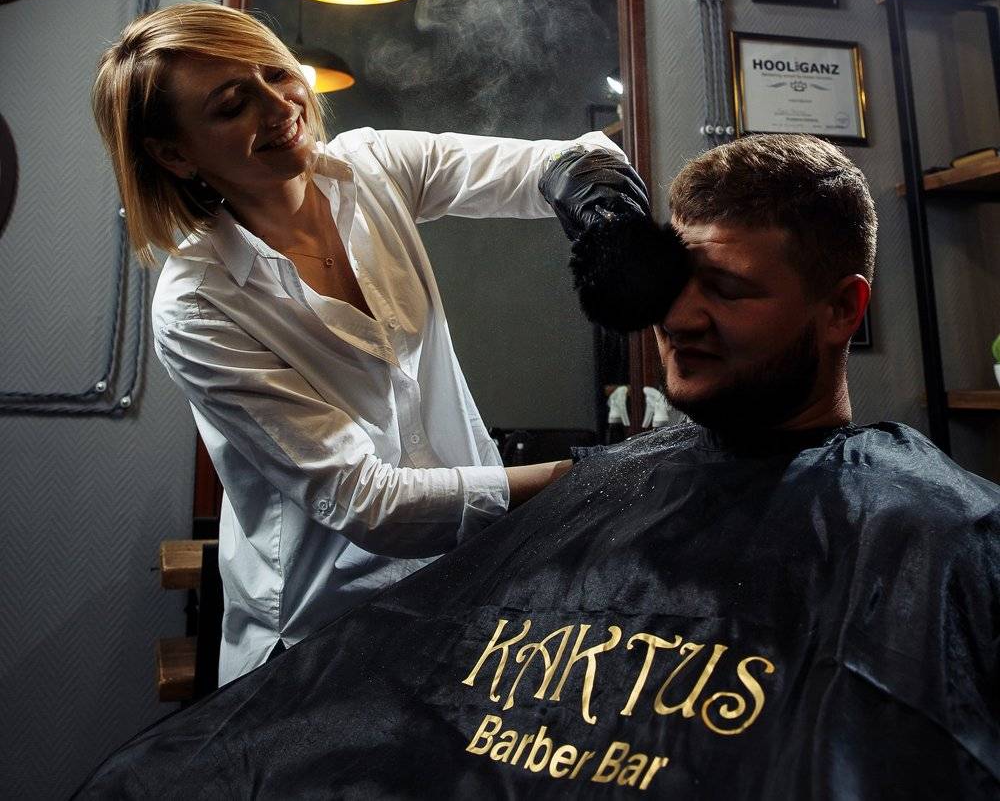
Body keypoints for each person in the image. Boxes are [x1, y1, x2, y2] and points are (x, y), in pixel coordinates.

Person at [75, 134, 999, 799]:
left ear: (843, 310)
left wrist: (593, 192)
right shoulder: (196, 297)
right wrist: (594, 479)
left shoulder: (939, 532)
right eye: (672, 280)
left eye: (726, 289)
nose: (678, 318)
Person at [90, 1, 650, 683]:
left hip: (465, 586)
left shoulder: (371, 167)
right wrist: (589, 477)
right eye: (233, 104)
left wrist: (604, 210)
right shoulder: (200, 306)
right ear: (174, 153)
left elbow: (557, 163)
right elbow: (369, 504)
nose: (280, 105)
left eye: (277, 72)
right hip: (326, 634)